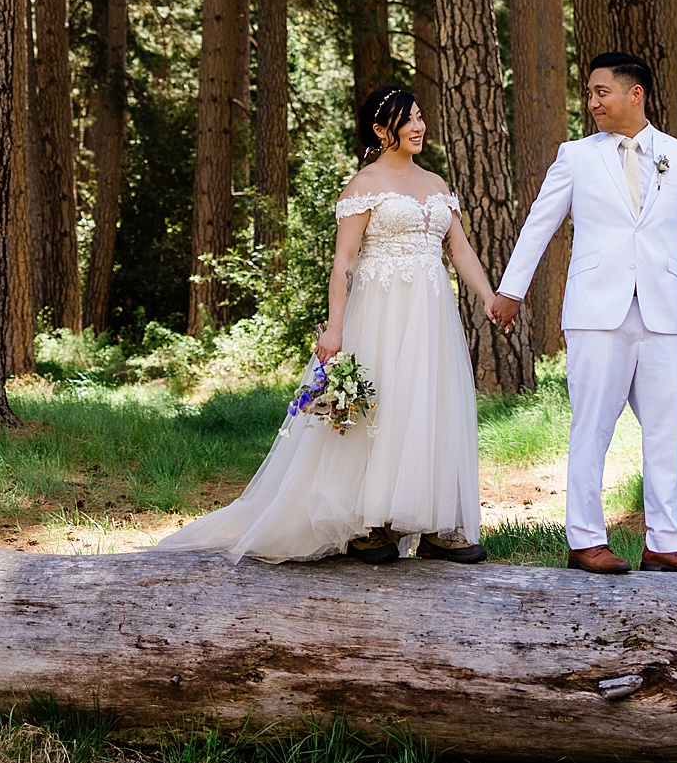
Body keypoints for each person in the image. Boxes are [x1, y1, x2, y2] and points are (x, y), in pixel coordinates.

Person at [155, 86, 500, 565]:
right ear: (382, 131)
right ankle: (368, 523)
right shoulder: (364, 184)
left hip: (430, 315)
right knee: (380, 405)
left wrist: (489, 298)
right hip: (381, 313)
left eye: (420, 116)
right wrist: (334, 329)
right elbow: (344, 260)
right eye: (408, 120)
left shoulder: (438, 184)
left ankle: (435, 525)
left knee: (428, 403)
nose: (419, 127)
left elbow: (458, 249)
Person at [493, 52, 677, 577]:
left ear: (635, 93)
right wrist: (512, 290)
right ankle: (585, 540)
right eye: (590, 93)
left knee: (668, 429)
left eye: (602, 92)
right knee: (592, 428)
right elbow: (539, 224)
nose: (593, 101)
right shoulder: (577, 156)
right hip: (597, 312)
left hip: (663, 313)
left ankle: (666, 541)